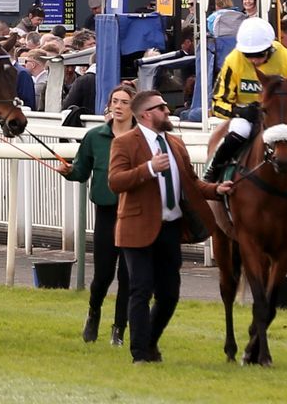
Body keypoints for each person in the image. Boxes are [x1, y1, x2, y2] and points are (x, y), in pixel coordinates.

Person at [108, 90, 217, 363]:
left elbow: (192, 183)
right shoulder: (125, 143)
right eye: (162, 108)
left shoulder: (175, 144)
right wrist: (149, 168)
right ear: (146, 114)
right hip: (136, 228)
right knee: (140, 290)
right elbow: (116, 181)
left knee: (169, 294)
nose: (168, 111)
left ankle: (150, 341)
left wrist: (219, 190)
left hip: (170, 228)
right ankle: (140, 354)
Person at [61, 82, 134, 345]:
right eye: (115, 101)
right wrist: (69, 171)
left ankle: (119, 329)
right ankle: (93, 314)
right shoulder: (95, 137)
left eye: (124, 102)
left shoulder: (142, 138)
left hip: (134, 215)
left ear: (133, 107)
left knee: (128, 274)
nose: (118, 106)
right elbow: (81, 172)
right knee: (103, 274)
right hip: (106, 213)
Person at [203, 16, 287, 184]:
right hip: (245, 115)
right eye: (248, 55)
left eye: (259, 55)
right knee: (238, 133)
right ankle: (212, 174)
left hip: (282, 116)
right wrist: (238, 111)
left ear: (270, 48)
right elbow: (218, 102)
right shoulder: (233, 60)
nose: (254, 60)